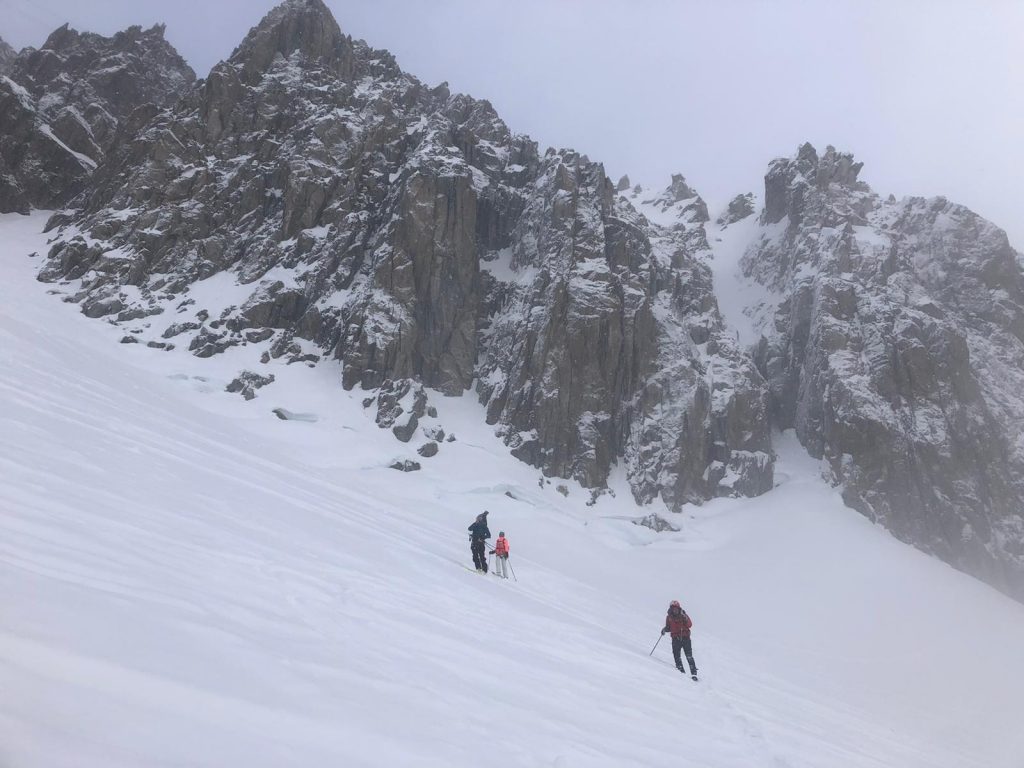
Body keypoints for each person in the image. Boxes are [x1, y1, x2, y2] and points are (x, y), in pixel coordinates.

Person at [661, 600, 698, 680]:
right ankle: (681, 671)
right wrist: (664, 629)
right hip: (675, 639)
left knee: (689, 656)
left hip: (685, 638)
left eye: (676, 608)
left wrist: (685, 617)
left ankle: (694, 674)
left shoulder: (683, 615)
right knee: (676, 656)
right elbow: (669, 627)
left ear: (678, 608)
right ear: (671, 609)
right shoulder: (669, 617)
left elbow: (689, 624)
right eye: (673, 608)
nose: (675, 610)